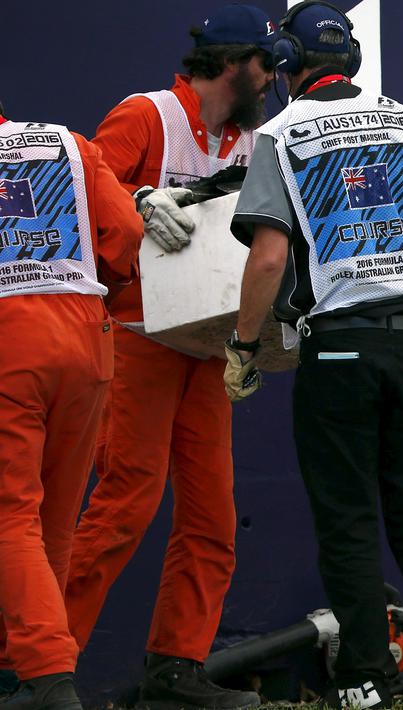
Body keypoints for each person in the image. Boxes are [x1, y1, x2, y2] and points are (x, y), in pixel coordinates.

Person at [224, 2, 403, 707]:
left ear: (285, 65)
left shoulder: (282, 135)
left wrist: (243, 345)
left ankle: (366, 677)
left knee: (348, 518)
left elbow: (268, 258)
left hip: (335, 349)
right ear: (351, 59)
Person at [62, 5, 275, 708]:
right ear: (230, 61)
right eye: (264, 63)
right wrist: (140, 198)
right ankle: (39, 665)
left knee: (213, 517)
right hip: (136, 335)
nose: (272, 76)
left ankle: (177, 668)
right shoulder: (147, 114)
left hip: (206, 344)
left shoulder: (252, 140)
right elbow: (78, 197)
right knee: (126, 503)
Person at [0, 105, 144, 709]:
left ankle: (45, 674)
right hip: (86, 332)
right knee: (55, 518)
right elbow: (127, 230)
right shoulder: (67, 142)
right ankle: (20, 674)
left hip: (11, 338)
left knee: (9, 515)